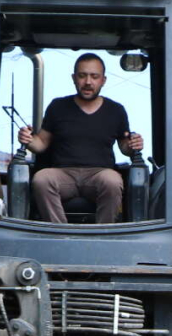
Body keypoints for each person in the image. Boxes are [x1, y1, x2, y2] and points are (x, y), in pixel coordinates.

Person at [18, 53, 144, 224]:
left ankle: (103, 234)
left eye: (94, 76)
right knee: (42, 179)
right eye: (82, 75)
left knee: (112, 181)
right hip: (63, 174)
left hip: (99, 174)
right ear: (74, 78)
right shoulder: (58, 106)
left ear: (103, 80)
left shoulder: (116, 110)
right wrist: (27, 138)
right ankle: (60, 233)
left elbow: (125, 147)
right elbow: (41, 143)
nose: (88, 82)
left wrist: (134, 144)